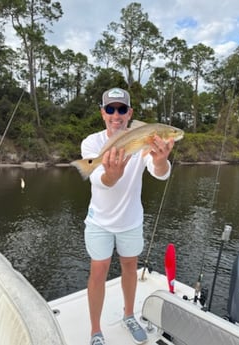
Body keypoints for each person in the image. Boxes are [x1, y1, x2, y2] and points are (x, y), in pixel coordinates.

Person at [81, 87, 174, 345]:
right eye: (110, 109)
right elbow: (100, 180)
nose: (116, 114)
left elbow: (160, 172)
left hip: (131, 220)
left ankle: (129, 315)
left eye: (122, 109)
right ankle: (96, 331)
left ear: (129, 113)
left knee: (130, 266)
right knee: (98, 271)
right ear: (103, 113)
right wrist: (112, 173)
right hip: (99, 220)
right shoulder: (91, 143)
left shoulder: (147, 138)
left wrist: (160, 159)